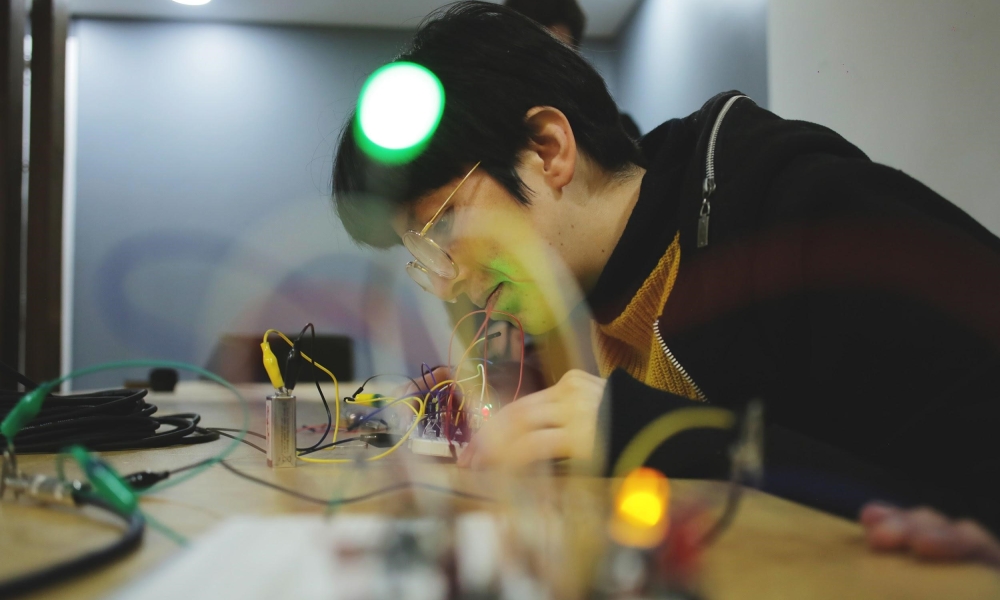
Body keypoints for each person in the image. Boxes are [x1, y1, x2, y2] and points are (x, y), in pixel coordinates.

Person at [333, 2, 1000, 566]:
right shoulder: (585, 301)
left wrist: (644, 431)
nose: (448, 280)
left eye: (446, 227)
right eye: (422, 254)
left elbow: (951, 493)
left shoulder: (802, 217)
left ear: (547, 149)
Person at [504, 0, 642, 140]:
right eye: (535, 54)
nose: (546, 69)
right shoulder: (492, 127)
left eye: (559, 56)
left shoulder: (619, 129)